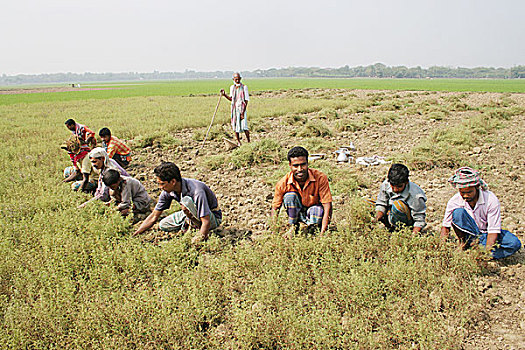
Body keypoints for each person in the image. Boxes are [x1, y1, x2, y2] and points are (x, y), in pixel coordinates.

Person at [440, 167, 521, 259]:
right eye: (462, 192)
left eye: (469, 192)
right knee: (458, 213)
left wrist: (485, 252)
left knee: (513, 243)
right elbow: (446, 226)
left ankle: (478, 252)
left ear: (477, 187)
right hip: (469, 234)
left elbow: (493, 230)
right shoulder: (454, 201)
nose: (465, 195)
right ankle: (465, 244)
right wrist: (441, 248)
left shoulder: (490, 199)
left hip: (487, 234)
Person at [133, 162, 222, 244]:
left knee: (187, 202)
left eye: (162, 184)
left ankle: (195, 227)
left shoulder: (196, 191)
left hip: (211, 217)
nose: (160, 187)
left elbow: (206, 221)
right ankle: (190, 223)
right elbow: (154, 216)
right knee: (163, 224)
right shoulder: (167, 191)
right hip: (193, 215)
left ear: (173, 182)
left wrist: (197, 241)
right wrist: (137, 233)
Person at [271, 146, 332, 235]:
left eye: (303, 165)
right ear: (290, 165)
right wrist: (274, 233)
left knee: (317, 210)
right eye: (295, 166)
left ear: (307, 163)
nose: (300, 169)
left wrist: (323, 234)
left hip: (313, 213)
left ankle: (313, 230)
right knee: (289, 197)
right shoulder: (283, 183)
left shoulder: (320, 178)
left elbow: (327, 206)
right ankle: (294, 227)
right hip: (297, 213)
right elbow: (275, 208)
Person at [374, 163, 427, 233]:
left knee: (398, 206)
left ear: (406, 182)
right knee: (367, 203)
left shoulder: (416, 195)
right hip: (389, 213)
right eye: (393, 185)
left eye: (399, 186)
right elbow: (381, 203)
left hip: (405, 220)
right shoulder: (386, 184)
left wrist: (414, 237)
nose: (395, 189)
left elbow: (419, 219)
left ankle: (397, 230)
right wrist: (377, 217)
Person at [220, 72, 250, 146]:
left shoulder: (244, 87)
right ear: (233, 79)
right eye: (236, 79)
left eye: (238, 79)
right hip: (234, 109)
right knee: (235, 126)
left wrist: (242, 112)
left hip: (241, 108)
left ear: (240, 79)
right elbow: (231, 99)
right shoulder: (232, 88)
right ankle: (239, 142)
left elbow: (246, 100)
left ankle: (249, 141)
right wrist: (224, 95)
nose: (237, 80)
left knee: (244, 126)